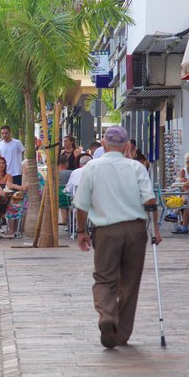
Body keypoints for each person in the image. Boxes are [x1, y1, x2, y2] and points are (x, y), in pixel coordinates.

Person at [73, 126, 159, 349]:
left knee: (104, 278)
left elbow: (81, 206)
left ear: (103, 144)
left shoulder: (91, 167)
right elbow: (150, 201)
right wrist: (157, 231)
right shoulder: (136, 168)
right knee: (130, 282)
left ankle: (107, 315)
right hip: (135, 231)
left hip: (106, 231)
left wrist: (81, 231)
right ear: (127, 146)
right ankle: (121, 334)